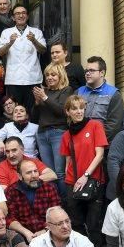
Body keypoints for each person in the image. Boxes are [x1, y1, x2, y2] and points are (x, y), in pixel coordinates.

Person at [60, 95, 108, 247]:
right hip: (72, 182)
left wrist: (86, 175)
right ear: (68, 112)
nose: (79, 111)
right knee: (76, 221)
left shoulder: (95, 125)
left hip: (92, 179)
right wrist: (72, 181)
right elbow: (67, 161)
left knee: (94, 222)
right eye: (74, 108)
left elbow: (99, 154)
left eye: (81, 108)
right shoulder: (66, 135)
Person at [32, 63, 72, 195]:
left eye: (53, 74)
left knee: (59, 172)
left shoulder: (66, 90)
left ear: (60, 76)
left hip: (58, 133)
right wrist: (37, 104)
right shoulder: (45, 92)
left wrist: (44, 98)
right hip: (42, 134)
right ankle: (52, 203)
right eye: (47, 75)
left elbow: (62, 111)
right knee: (49, 173)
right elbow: (34, 117)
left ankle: (63, 204)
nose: (49, 77)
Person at [0, 5, 46, 112]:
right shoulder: (6, 32)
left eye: (23, 13)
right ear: (13, 17)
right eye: (17, 13)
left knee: (33, 110)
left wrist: (34, 40)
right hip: (14, 79)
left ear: (27, 16)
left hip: (32, 78)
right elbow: (0, 52)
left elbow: (43, 50)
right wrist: (10, 43)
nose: (21, 15)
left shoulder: (36, 32)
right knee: (14, 110)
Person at [4, 158, 59, 243]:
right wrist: (26, 232)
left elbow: (57, 213)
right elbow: (10, 218)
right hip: (22, 236)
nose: (34, 175)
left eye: (35, 171)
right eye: (29, 173)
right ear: (19, 176)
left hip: (48, 232)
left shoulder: (49, 188)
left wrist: (45, 231)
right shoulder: (11, 191)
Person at [77, 56, 124, 141]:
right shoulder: (78, 92)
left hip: (103, 146)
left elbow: (113, 124)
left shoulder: (113, 94)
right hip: (81, 142)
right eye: (86, 71)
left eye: (91, 70)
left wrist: (96, 141)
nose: (87, 73)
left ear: (102, 73)